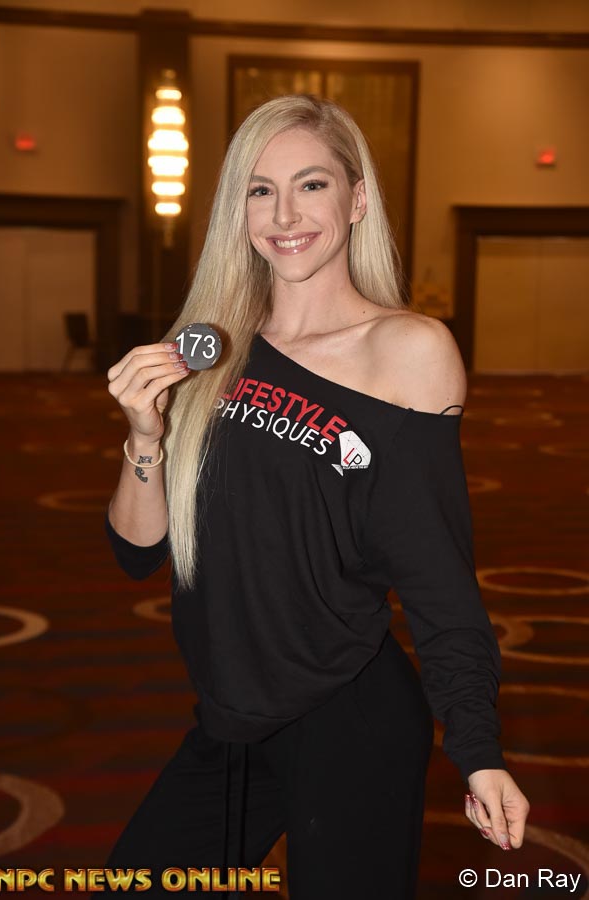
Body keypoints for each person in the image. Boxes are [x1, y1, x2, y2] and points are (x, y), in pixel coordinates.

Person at [104, 94, 529, 898]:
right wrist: (146, 434)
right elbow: (136, 551)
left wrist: (478, 750)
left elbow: (438, 573)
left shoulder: (406, 351)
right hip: (230, 717)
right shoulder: (213, 346)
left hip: (349, 715)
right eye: (260, 190)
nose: (284, 215)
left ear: (357, 199)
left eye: (311, 185)